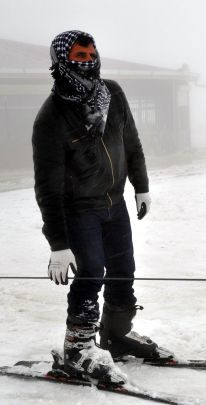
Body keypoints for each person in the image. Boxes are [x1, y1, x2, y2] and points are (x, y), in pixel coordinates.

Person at [32, 30, 171, 384]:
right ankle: (78, 350)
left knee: (124, 269)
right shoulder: (51, 119)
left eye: (91, 55)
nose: (88, 62)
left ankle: (117, 335)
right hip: (79, 210)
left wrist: (141, 186)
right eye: (79, 57)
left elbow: (132, 142)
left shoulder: (112, 94)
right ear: (62, 61)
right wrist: (58, 244)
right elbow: (47, 188)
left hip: (115, 201)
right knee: (91, 273)